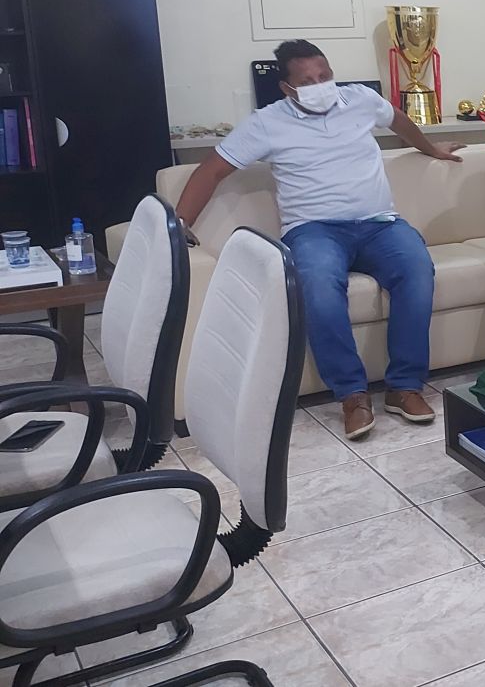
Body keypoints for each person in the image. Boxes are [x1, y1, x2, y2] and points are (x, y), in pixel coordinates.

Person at [175, 40, 464, 441]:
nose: (319, 85)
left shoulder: (360, 99)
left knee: (417, 269)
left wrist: (432, 149)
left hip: (380, 224)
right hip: (314, 230)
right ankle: (352, 396)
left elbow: (397, 119)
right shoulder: (267, 122)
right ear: (287, 88)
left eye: (324, 76)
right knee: (319, 287)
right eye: (307, 81)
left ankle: (404, 387)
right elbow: (211, 170)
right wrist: (179, 223)